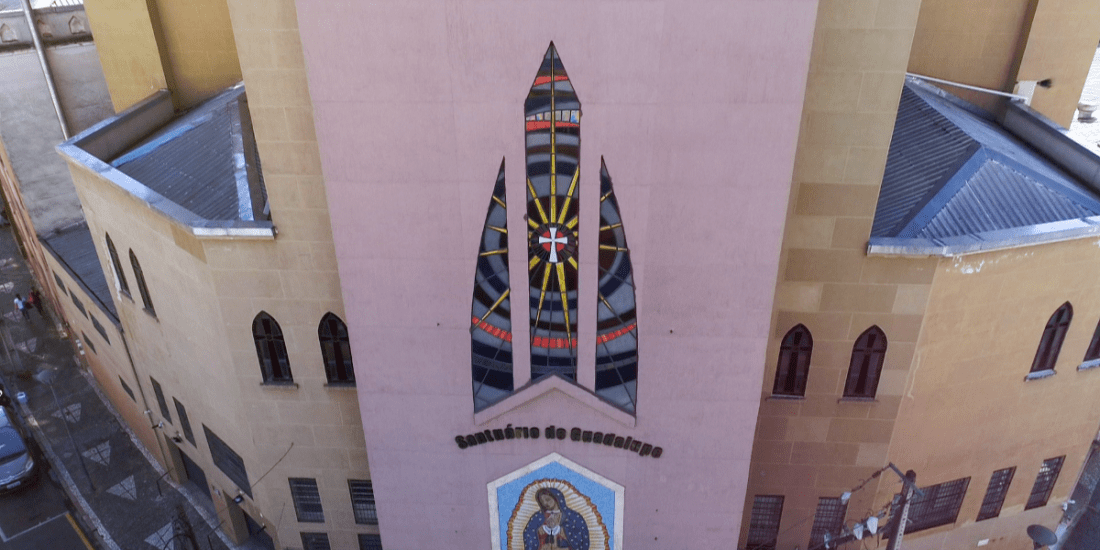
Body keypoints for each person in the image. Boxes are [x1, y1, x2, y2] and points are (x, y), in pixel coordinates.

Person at [522, 487, 590, 550]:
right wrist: (538, 531)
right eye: (542, 501)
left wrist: (565, 532)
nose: (545, 503)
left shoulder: (572, 517)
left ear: (556, 498)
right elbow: (529, 534)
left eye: (548, 499)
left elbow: (581, 536)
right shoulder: (538, 517)